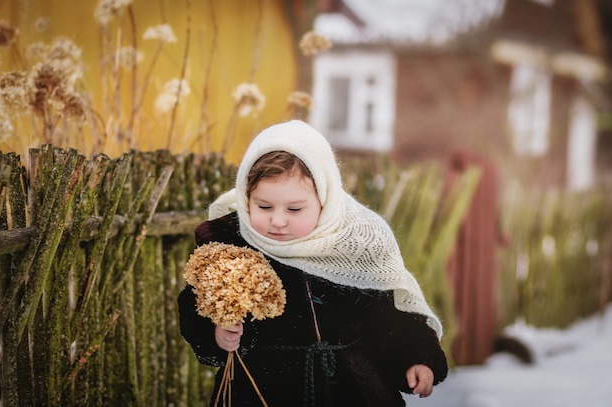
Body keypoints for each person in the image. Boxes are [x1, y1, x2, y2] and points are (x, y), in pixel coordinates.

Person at [178, 120, 448, 406]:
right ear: (246, 199)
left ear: (325, 198)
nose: (277, 220)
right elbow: (197, 303)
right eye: (263, 206)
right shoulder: (230, 242)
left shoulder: (357, 241)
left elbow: (391, 315)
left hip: (353, 387)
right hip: (264, 388)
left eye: (295, 208)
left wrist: (416, 357)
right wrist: (216, 331)